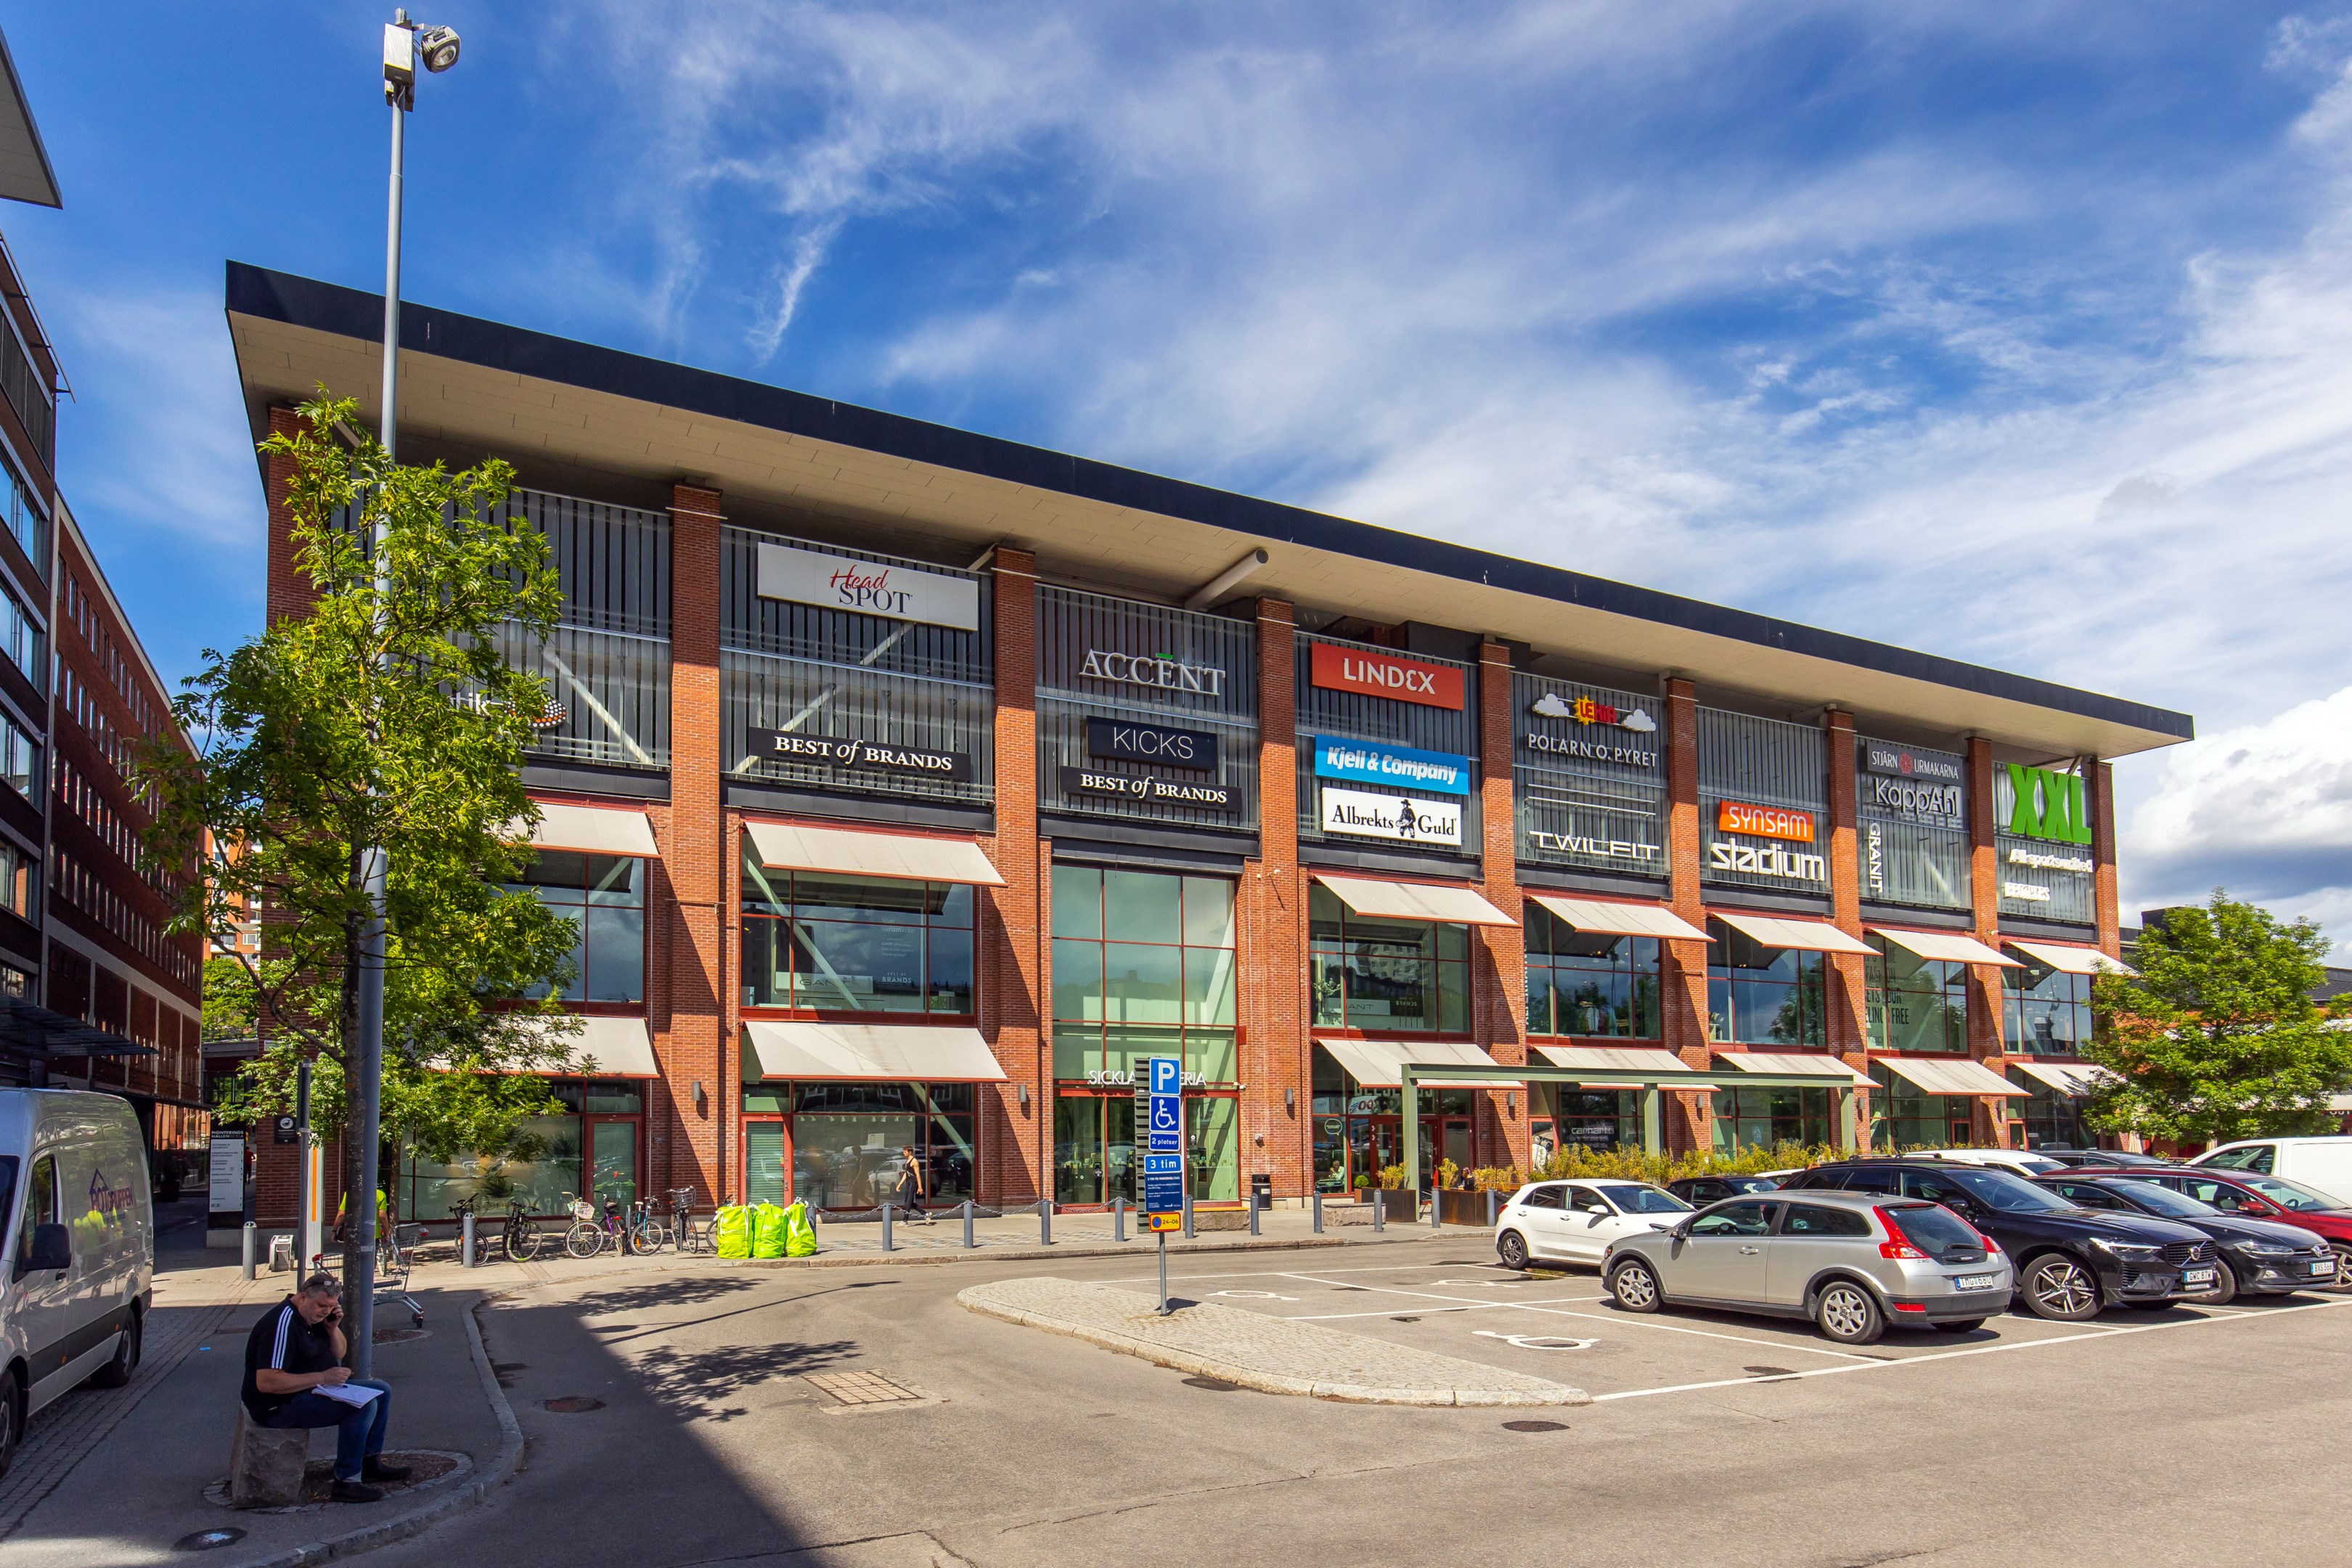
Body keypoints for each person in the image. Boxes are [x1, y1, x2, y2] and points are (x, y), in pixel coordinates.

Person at [241, 1273, 409, 1503]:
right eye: (321, 1305)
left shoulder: (316, 1319)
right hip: (276, 1405)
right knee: (361, 1406)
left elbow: (339, 1353)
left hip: (313, 1389)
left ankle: (368, 1463)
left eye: (331, 1306)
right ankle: (346, 1481)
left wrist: (332, 1328)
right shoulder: (281, 1324)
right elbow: (268, 1381)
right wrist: (323, 1377)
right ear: (302, 1298)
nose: (325, 1311)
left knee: (381, 1390)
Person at [899, 1146, 928, 1222]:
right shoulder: (907, 1161)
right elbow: (906, 1173)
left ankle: (905, 1220)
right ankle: (925, 1214)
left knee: (908, 1202)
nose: (904, 1153)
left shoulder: (914, 1161)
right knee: (909, 1202)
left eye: (905, 1152)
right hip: (908, 1182)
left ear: (910, 1152)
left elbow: (917, 1174)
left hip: (912, 1182)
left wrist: (920, 1187)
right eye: (904, 1152)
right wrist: (900, 1184)